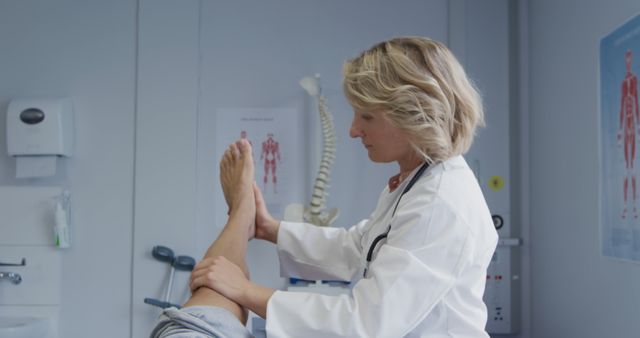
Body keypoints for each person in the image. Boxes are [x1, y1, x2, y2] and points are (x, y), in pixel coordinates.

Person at [154, 36, 499, 337]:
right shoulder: (416, 182)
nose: (352, 130)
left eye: (366, 116)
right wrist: (271, 229)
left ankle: (239, 218)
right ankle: (244, 218)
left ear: (413, 114)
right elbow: (357, 248)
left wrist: (244, 290)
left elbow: (366, 324)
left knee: (200, 321)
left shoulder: (440, 205)